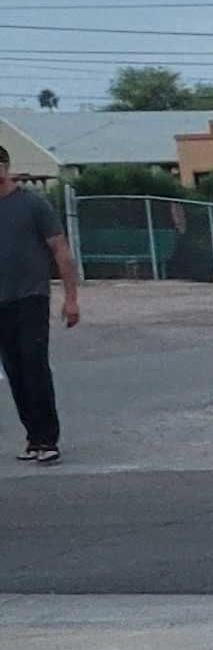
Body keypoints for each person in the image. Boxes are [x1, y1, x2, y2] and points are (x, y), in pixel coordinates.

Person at [0, 149, 82, 464]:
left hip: (31, 297)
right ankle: (33, 437)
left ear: (6, 166)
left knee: (33, 364)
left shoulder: (32, 204)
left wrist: (71, 298)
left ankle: (48, 438)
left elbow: (60, 249)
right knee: (14, 370)